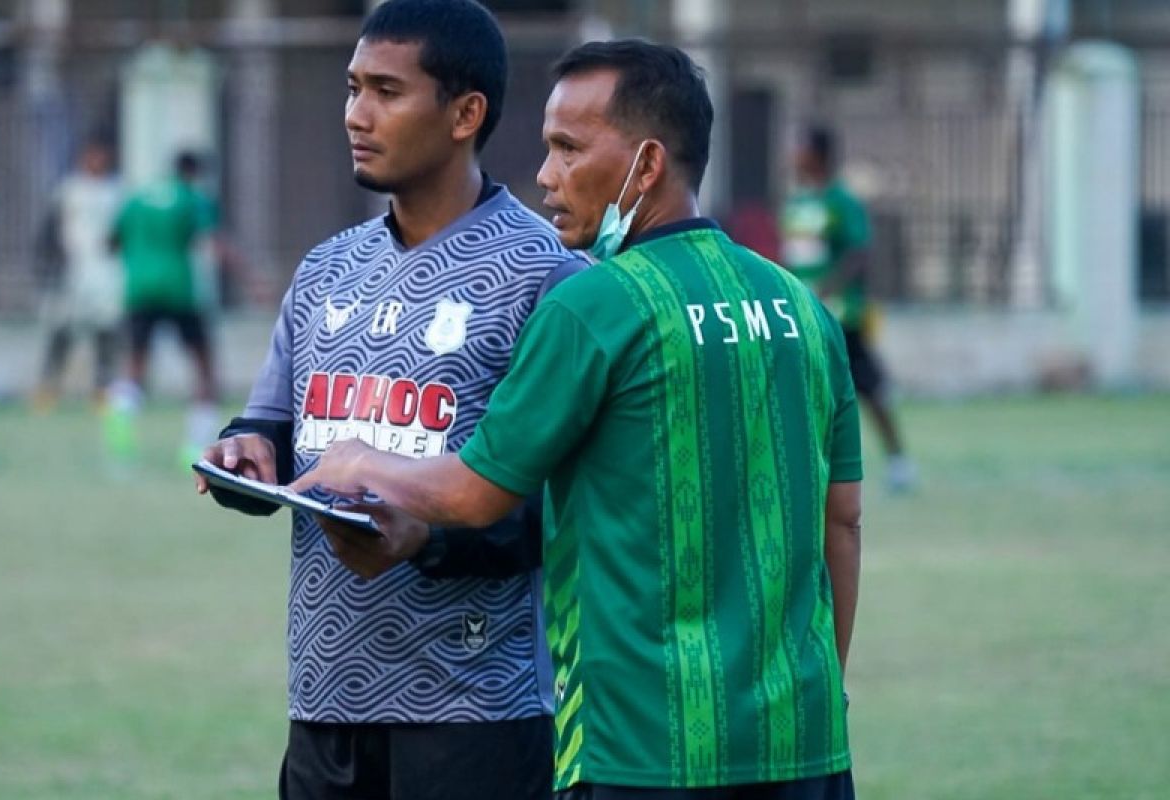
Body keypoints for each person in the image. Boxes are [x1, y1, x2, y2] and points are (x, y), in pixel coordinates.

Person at [290, 39, 862, 800]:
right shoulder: (802, 308)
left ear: (647, 165)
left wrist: (358, 463)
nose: (547, 176)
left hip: (641, 752)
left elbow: (475, 493)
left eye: (566, 149)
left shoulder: (595, 305)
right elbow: (844, 521)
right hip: (806, 744)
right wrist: (829, 690)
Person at [194, 2, 582, 798]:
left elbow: (567, 509)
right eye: (351, 88)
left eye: (386, 91)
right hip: (325, 696)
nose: (355, 115)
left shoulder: (547, 278)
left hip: (476, 708)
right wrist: (245, 454)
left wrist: (428, 539)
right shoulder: (325, 269)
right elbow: (270, 423)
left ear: (464, 114)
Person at [780, 125, 915, 492]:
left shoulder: (841, 201)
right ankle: (805, 469)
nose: (791, 154)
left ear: (817, 154)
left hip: (840, 316)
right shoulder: (797, 202)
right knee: (801, 391)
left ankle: (899, 461)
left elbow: (860, 251)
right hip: (801, 317)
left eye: (798, 146)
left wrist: (830, 288)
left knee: (869, 389)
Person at [107, 150, 221, 461]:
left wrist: (141, 256)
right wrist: (250, 278)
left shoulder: (138, 198)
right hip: (178, 289)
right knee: (204, 367)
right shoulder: (191, 198)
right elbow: (211, 239)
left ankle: (121, 424)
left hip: (139, 288)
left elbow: (111, 241)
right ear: (194, 173)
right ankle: (195, 448)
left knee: (135, 363)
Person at [32, 137, 125, 410]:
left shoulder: (117, 190)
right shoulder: (69, 189)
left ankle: (102, 390)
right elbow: (50, 231)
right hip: (72, 273)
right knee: (60, 332)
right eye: (91, 155)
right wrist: (51, 264)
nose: (96, 161)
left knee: (106, 335)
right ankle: (48, 389)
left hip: (108, 275)